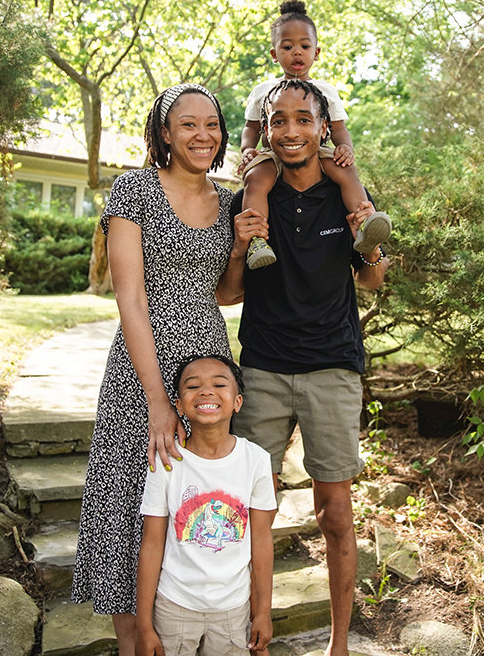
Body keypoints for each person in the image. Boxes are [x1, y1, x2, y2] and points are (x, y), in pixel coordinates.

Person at [71, 83, 244, 656]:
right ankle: (132, 645)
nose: (203, 135)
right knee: (130, 501)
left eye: (212, 125)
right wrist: (156, 401)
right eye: (188, 124)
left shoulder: (231, 200)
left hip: (207, 368)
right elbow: (131, 300)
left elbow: (224, 293)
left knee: (198, 501)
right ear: (164, 132)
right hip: (141, 370)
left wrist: (240, 249)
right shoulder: (135, 189)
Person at [227, 78, 389, 656]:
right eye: (278, 121)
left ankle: (339, 643)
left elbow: (372, 282)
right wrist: (242, 245)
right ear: (266, 129)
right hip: (266, 367)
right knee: (252, 508)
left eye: (303, 119)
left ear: (324, 127)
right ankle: (253, 630)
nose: (290, 131)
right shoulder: (253, 190)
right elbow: (227, 295)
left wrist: (368, 248)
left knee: (334, 510)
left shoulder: (346, 194)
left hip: (331, 368)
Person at [135, 355, 277, 656]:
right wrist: (144, 626)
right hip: (174, 605)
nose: (206, 391)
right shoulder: (166, 463)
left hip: (233, 609)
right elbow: (151, 543)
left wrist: (262, 611)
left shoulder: (256, 461)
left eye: (219, 384)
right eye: (193, 385)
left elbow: (262, 540)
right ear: (179, 404)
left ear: (237, 401)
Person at [238, 0, 391, 269]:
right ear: (274, 54)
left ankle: (364, 223)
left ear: (316, 52)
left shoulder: (325, 91)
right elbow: (250, 128)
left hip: (314, 151)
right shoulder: (263, 91)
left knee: (346, 171)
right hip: (274, 152)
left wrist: (345, 148)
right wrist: (247, 150)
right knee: (255, 179)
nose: (297, 53)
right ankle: (257, 241)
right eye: (287, 47)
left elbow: (340, 130)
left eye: (304, 46)